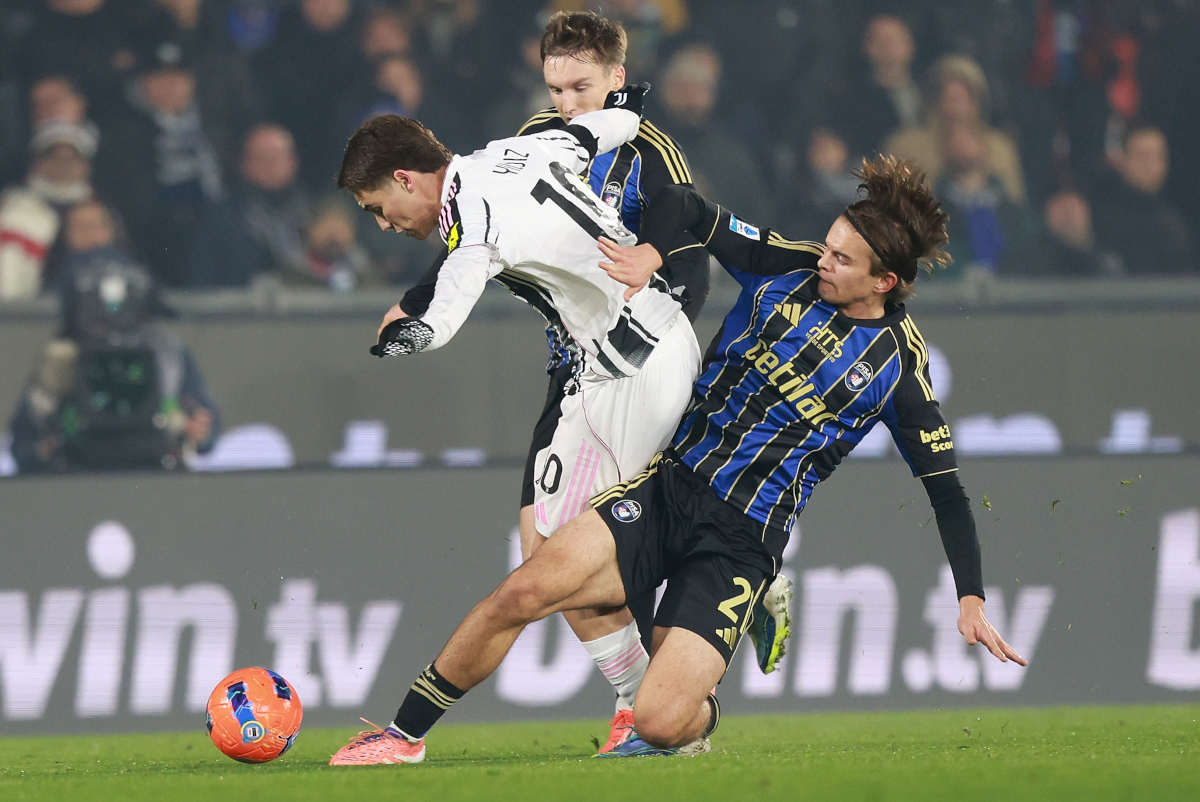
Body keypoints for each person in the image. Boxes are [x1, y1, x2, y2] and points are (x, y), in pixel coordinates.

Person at [327, 156, 1026, 764]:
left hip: (739, 543)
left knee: (661, 721)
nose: (824, 261)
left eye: (843, 260)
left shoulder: (900, 370)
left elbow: (948, 492)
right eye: (830, 246)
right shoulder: (786, 267)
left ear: (887, 284)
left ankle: (705, 704)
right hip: (668, 489)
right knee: (523, 590)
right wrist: (656, 252)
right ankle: (401, 735)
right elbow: (690, 207)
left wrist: (970, 598)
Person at [328, 84, 709, 765]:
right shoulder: (515, 150)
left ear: (407, 179)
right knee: (543, 550)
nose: (383, 225)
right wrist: (632, 103)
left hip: (637, 364)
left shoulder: (474, 224)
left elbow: (440, 324)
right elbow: (606, 129)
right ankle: (642, 703)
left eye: (378, 208)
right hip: (618, 360)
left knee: (564, 571)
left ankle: (712, 591)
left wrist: (399, 340)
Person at [9, 249, 219, 472]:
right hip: (75, 478)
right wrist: (46, 447)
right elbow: (23, 447)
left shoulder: (168, 355)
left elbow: (206, 426)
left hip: (155, 475)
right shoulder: (60, 359)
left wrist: (200, 430)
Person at [184, 123, 310, 287]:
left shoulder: (317, 214)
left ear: (293, 162)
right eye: (262, 157)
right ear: (244, 164)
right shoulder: (218, 218)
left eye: (278, 156)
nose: (271, 164)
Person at [0, 121, 96, 299]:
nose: (64, 165)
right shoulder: (14, 210)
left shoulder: (100, 210)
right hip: (26, 316)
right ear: (37, 163)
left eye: (72, 158)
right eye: (54, 157)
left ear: (86, 165)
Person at [1093, 126, 1195, 276]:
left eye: (1159, 156)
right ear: (1122, 160)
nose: (1151, 165)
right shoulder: (1102, 215)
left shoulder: (1174, 218)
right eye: (1143, 157)